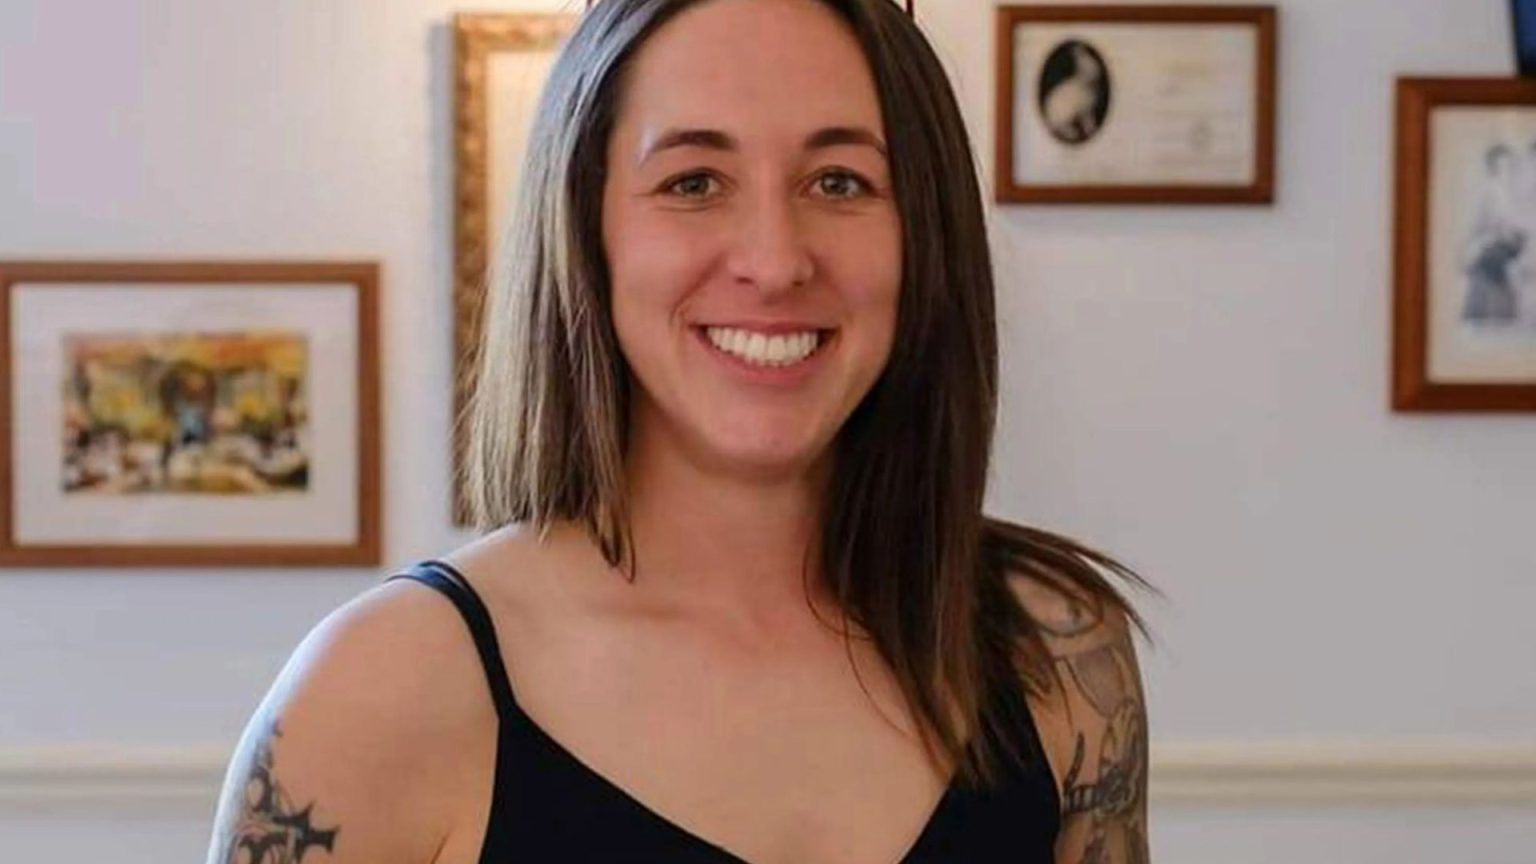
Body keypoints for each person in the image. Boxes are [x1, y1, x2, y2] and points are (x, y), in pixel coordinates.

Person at [203, 0, 1153, 862]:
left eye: (839, 181)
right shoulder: (381, 690)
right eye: (694, 182)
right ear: (587, 228)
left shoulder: (1054, 649)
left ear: (926, 234)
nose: (775, 262)